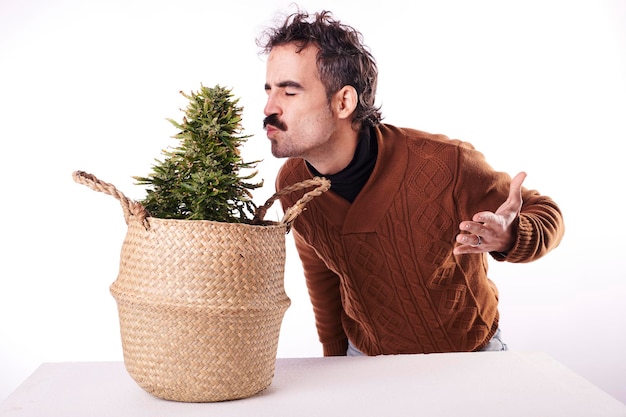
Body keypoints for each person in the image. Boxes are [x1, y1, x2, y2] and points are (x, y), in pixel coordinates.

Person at [257, 9, 564, 356]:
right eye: (268, 90)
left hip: (469, 356)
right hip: (366, 360)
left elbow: (547, 212)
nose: (268, 107)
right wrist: (335, 359)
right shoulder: (294, 182)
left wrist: (509, 236)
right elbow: (322, 273)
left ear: (343, 101)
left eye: (289, 92)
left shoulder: (446, 163)